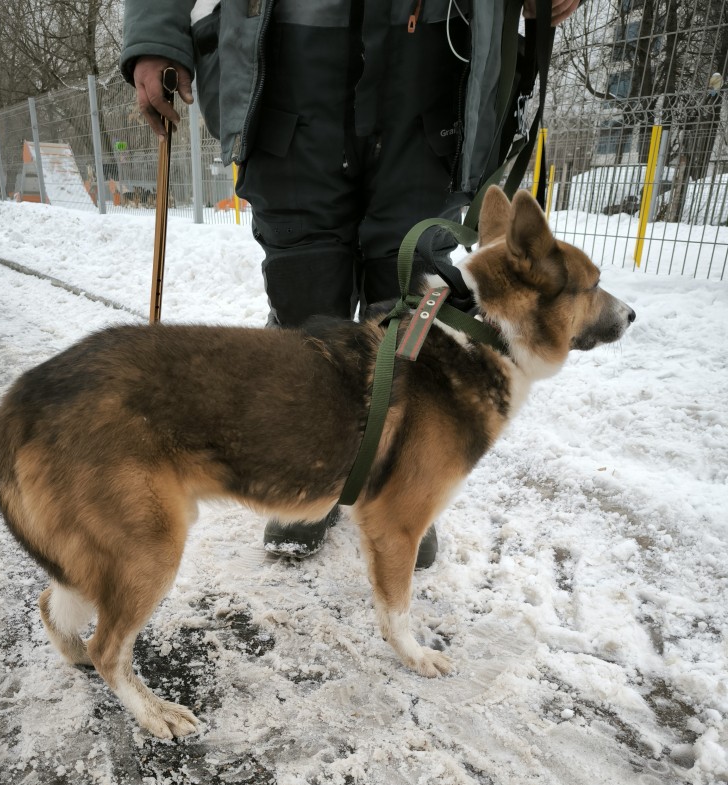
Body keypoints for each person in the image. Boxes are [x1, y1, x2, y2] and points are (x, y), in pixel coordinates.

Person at [121, 0, 580, 566]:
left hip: (436, 51)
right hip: (287, 49)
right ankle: (302, 480)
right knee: (304, 288)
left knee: (408, 292)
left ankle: (400, 483)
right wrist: (154, 34)